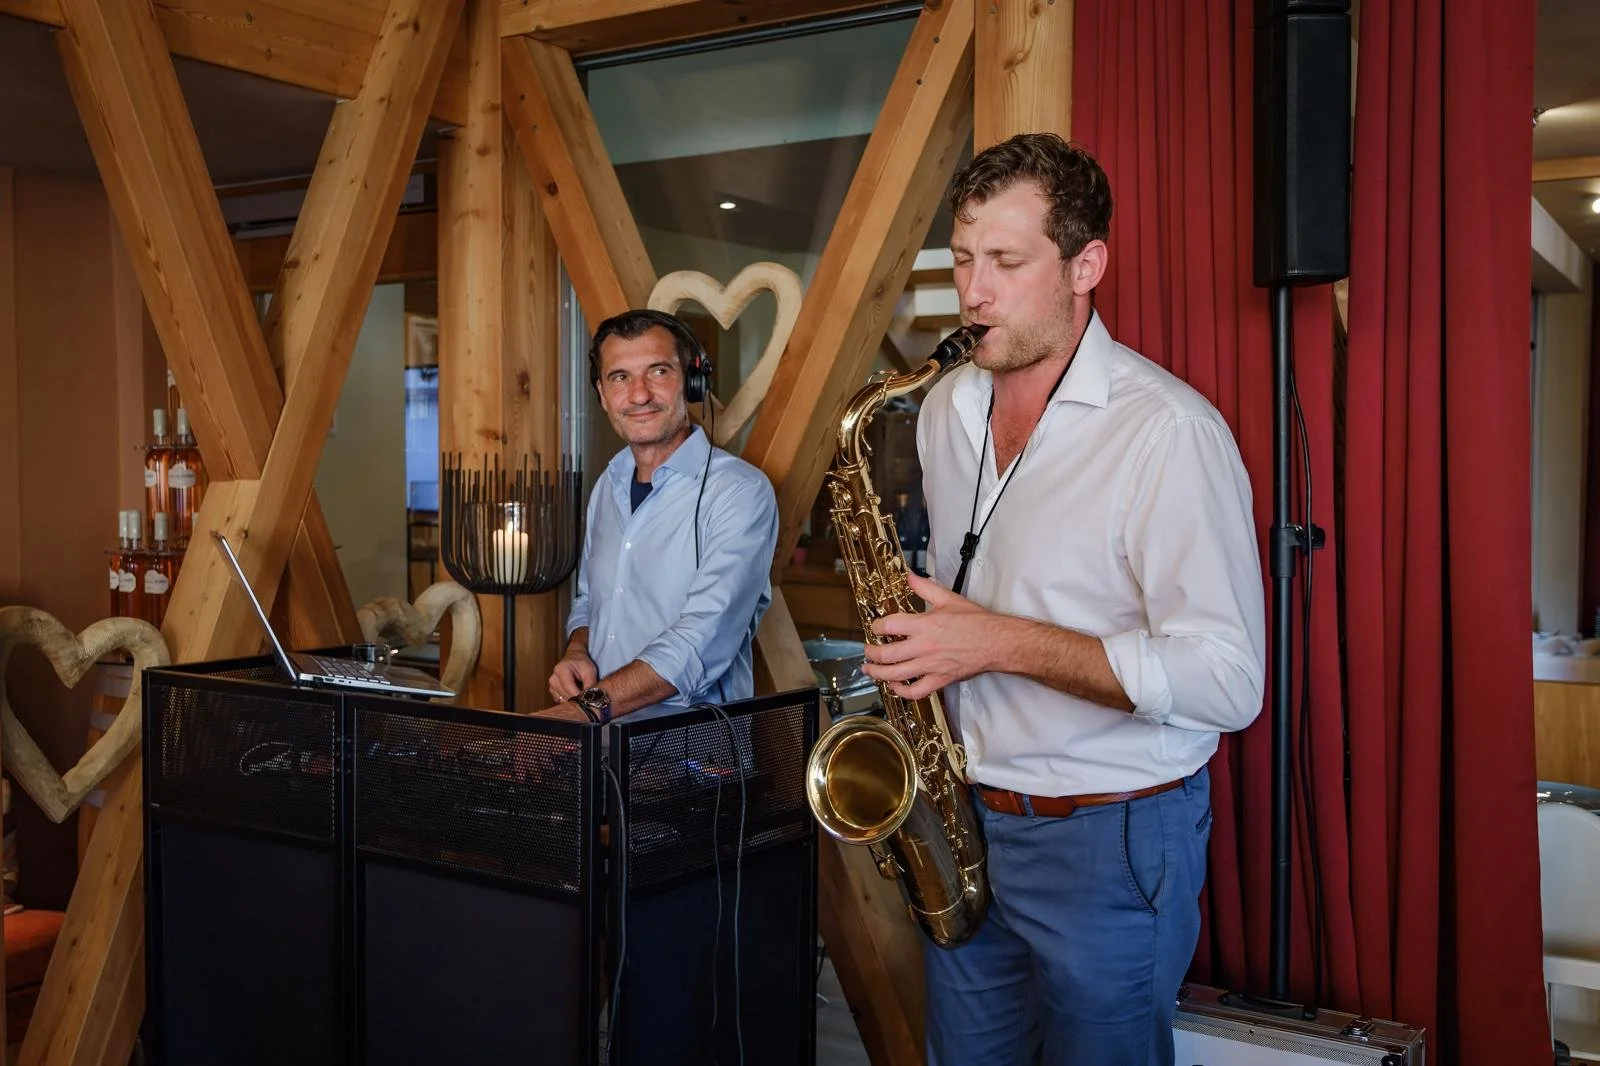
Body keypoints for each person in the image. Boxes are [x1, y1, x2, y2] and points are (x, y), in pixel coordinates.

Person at [861, 133, 1266, 1066]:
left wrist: (994, 643)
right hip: (965, 818)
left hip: (1113, 838)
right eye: (964, 259)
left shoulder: (1169, 433)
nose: (974, 292)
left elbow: (1229, 680)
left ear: (1088, 265)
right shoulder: (944, 409)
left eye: (1006, 261)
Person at [537, 309, 779, 725]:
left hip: (692, 755)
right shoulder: (607, 485)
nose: (639, 395)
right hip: (602, 744)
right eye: (620, 377)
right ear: (601, 392)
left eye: (658, 371)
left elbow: (700, 642)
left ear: (692, 380)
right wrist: (577, 649)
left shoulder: (740, 492)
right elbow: (590, 601)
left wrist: (583, 711)